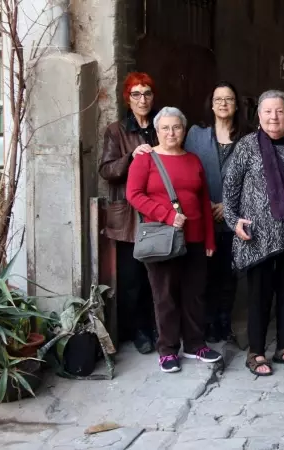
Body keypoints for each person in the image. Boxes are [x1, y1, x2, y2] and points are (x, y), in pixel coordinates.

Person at [224, 90, 284, 376]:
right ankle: (256, 351)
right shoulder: (247, 146)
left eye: (280, 111)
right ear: (259, 115)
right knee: (259, 296)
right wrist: (234, 221)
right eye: (268, 111)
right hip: (257, 237)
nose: (274, 117)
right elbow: (230, 190)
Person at [126, 107, 223, 373]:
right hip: (163, 238)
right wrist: (167, 215)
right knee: (165, 296)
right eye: (165, 128)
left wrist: (209, 240)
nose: (171, 132)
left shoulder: (193, 160)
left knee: (194, 294)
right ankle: (167, 350)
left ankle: (195, 344)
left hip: (194, 239)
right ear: (157, 131)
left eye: (176, 127)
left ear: (184, 129)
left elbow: (203, 201)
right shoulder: (145, 160)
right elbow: (134, 195)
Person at [99, 72, 158, 355]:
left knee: (156, 275)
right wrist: (130, 158)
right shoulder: (116, 130)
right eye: (136, 94)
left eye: (147, 93)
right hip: (128, 217)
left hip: (157, 213)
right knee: (131, 278)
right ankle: (135, 331)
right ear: (128, 99)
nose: (142, 99)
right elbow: (106, 170)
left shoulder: (161, 126)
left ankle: (153, 327)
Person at [185, 81, 248, 344]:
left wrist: (228, 206)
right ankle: (207, 322)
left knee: (229, 274)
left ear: (236, 105)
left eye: (229, 99)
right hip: (203, 215)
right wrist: (205, 204)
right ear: (211, 104)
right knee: (203, 274)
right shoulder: (196, 134)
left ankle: (225, 322)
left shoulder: (247, 137)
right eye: (218, 99)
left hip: (233, 218)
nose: (223, 103)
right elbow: (185, 169)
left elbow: (253, 178)